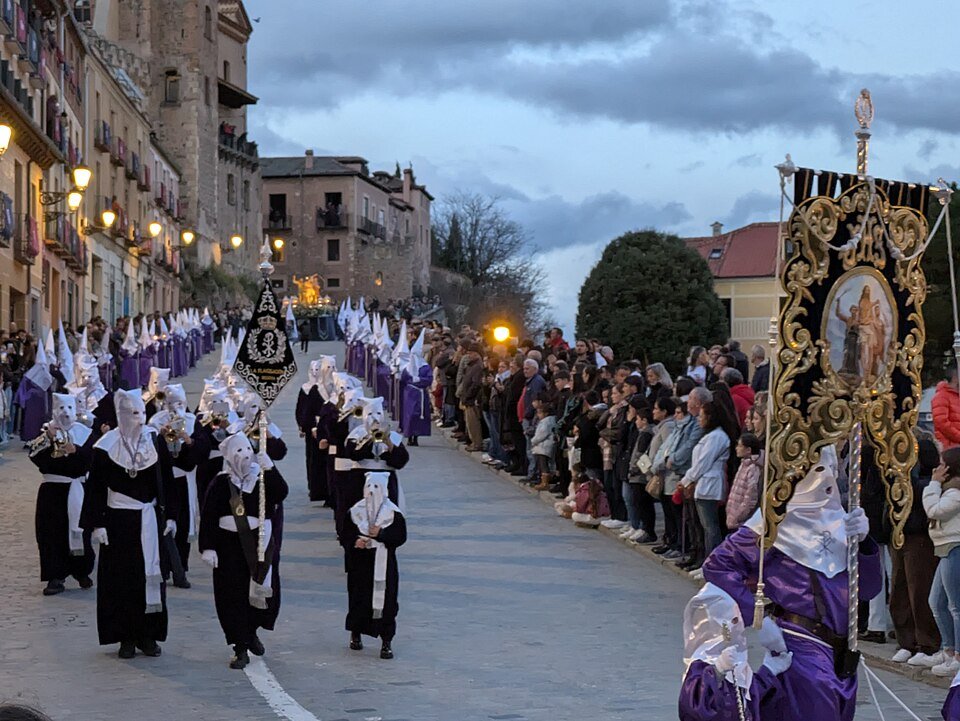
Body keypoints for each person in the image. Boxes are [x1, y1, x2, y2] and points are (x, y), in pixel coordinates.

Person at [703, 446, 881, 721]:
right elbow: (718, 565)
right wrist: (759, 618)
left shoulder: (843, 521)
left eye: (829, 466)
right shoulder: (770, 524)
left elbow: (869, 590)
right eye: (816, 466)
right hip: (800, 648)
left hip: (842, 653)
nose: (826, 474)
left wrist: (865, 543)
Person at [80, 389, 179, 659]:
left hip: (148, 518)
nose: (139, 419)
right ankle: (125, 636)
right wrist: (97, 524)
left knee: (150, 576)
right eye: (133, 413)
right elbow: (96, 489)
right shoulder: (104, 447)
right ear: (122, 415)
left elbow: (166, 480)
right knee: (122, 580)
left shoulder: (154, 440)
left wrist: (170, 515)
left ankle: (148, 635)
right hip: (118, 521)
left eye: (142, 413)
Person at [199, 433, 288, 669]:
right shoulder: (220, 483)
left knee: (259, 591)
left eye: (247, 449)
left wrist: (270, 467)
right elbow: (208, 516)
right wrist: (208, 548)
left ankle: (252, 631)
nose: (244, 456)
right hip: (229, 546)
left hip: (259, 543)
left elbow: (280, 493)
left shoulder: (261, 479)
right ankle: (239, 646)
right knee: (232, 595)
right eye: (238, 451)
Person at [679, 582, 792, 720]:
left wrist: (769, 670)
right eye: (731, 621)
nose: (737, 628)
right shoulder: (699, 666)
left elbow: (748, 700)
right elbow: (695, 706)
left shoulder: (736, 664)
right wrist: (717, 672)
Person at [28, 393, 95, 596]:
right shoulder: (46, 431)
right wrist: (47, 439)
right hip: (53, 491)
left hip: (77, 489)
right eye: (61, 409)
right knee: (51, 534)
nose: (65, 413)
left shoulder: (85, 433)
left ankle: (81, 570)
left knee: (81, 531)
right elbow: (35, 456)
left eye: (69, 409)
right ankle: (55, 575)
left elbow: (93, 460)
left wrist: (76, 451)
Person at [890, 427, 942, 667]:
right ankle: (906, 641)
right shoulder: (897, 470)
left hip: (919, 534)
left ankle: (927, 642)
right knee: (899, 590)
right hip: (899, 533)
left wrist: (908, 478)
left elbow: (923, 491)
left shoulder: (925, 474)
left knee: (919, 591)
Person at [341, 472, 407, 660]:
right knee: (358, 597)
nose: (371, 492)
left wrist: (381, 534)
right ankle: (356, 633)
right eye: (369, 487)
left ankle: (386, 641)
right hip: (360, 562)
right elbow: (346, 533)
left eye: (376, 488)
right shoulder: (355, 511)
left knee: (387, 601)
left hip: (384, 562)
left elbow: (400, 537)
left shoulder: (392, 513)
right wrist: (355, 541)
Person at [678, 401, 732, 569]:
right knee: (706, 527)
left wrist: (687, 479)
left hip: (709, 484)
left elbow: (703, 462)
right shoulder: (711, 435)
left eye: (701, 416)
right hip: (703, 484)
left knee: (711, 528)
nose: (699, 419)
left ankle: (712, 566)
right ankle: (706, 563)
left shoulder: (717, 437)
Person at [923, 447, 960, 677]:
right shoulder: (949, 491)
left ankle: (957, 655)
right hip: (944, 547)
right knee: (936, 602)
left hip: (955, 546)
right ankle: (947, 649)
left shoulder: (955, 493)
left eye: (941, 464)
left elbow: (934, 510)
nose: (937, 469)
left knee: (955, 606)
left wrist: (933, 484)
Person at [725, 432, 762, 530]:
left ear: (748, 450)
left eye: (740, 446)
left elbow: (750, 497)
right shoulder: (743, 465)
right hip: (734, 515)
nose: (737, 448)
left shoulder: (753, 468)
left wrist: (738, 516)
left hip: (741, 519)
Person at [530, 402, 557, 491]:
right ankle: (544, 480)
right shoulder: (548, 421)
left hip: (543, 447)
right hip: (543, 446)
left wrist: (533, 441)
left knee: (543, 465)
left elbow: (542, 434)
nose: (538, 415)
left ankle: (545, 482)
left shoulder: (546, 422)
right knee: (544, 464)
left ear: (546, 413)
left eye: (540, 413)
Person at [934, 367, 960, 450]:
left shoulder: (956, 395)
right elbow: (942, 423)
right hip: (950, 447)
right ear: (955, 377)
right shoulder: (942, 396)